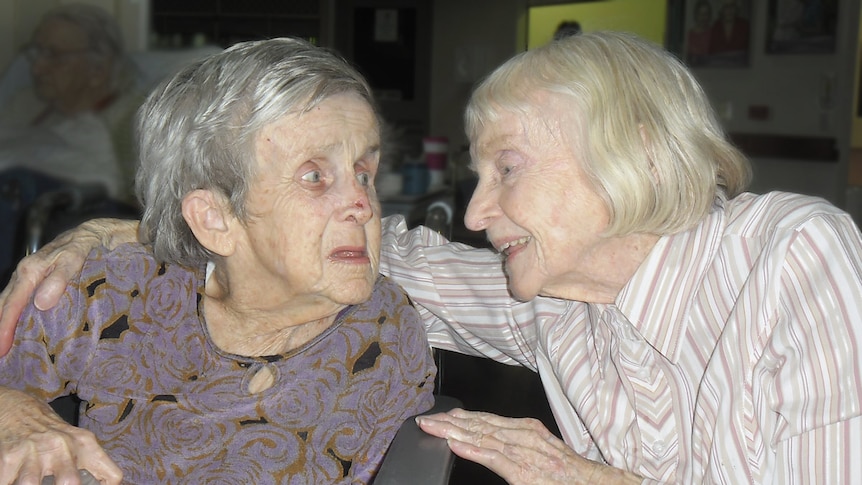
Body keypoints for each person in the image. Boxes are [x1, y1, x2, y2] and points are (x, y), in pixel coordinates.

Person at [3, 31, 862, 484]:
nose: (480, 211)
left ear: (633, 154)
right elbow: (357, 254)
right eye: (479, 176)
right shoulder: (550, 298)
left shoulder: (792, 259)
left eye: (509, 170)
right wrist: (155, 228)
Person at [0, 37, 435, 484]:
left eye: (364, 173)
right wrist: (10, 412)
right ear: (214, 220)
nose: (363, 204)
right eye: (315, 176)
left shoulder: (383, 333)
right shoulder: (113, 293)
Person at [0, 3, 144, 199]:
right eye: (36, 52)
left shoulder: (130, 122)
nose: (36, 68)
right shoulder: (25, 103)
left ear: (98, 70)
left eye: (53, 55)